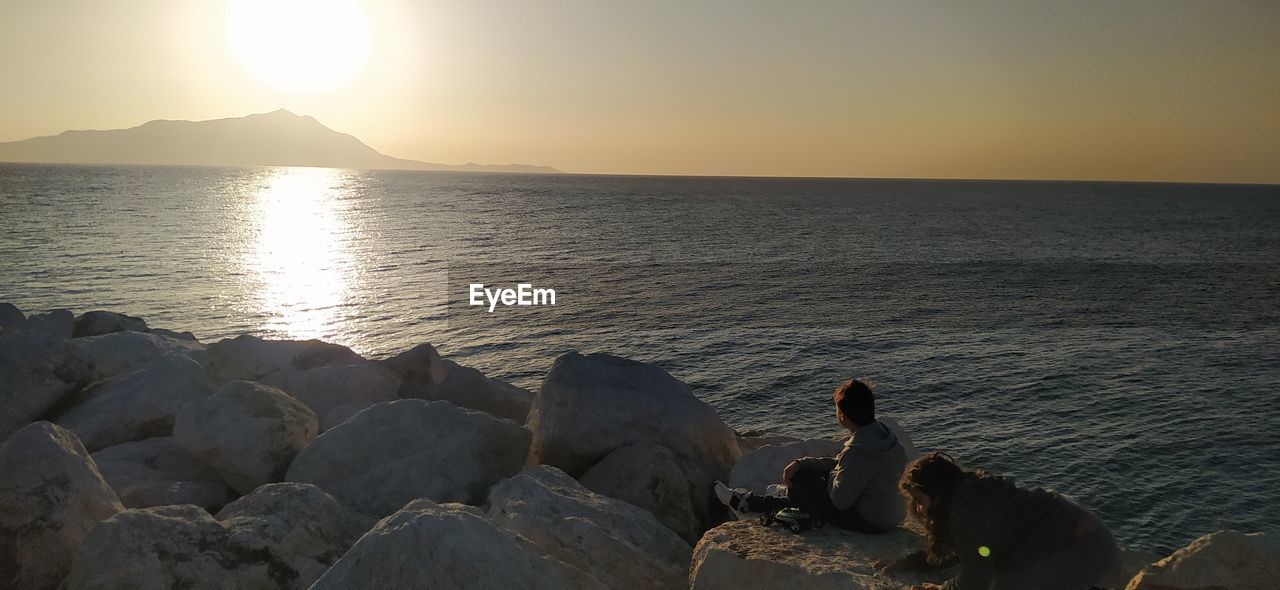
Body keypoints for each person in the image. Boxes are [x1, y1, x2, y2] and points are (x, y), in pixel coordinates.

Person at [874, 452, 1120, 590]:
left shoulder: (966, 512)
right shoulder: (968, 494)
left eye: (919, 499)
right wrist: (910, 562)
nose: (917, 508)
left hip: (1087, 548)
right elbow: (971, 552)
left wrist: (942, 589)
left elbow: (976, 580)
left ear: (937, 492)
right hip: (1087, 539)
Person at [714, 378, 909, 533]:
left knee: (801, 480)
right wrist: (805, 463)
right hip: (890, 514)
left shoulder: (858, 452)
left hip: (870, 521)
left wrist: (817, 477)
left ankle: (747, 502)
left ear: (842, 415)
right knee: (807, 478)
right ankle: (751, 501)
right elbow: (845, 465)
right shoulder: (882, 436)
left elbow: (839, 501)